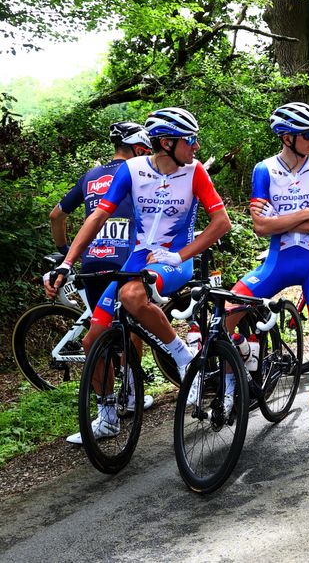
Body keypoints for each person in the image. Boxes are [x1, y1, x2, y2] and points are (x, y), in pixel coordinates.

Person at [45, 107, 232, 443]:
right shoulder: (132, 170)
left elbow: (221, 223)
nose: (197, 147)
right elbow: (98, 217)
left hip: (174, 259)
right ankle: (108, 416)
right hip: (137, 259)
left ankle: (185, 359)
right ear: (166, 143)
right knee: (91, 341)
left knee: (130, 295)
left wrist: (180, 254)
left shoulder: (195, 173)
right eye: (191, 140)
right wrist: (67, 262)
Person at [226, 102, 309, 438]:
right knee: (228, 308)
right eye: (308, 134)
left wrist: (280, 221)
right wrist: (307, 212)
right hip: (277, 262)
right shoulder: (264, 170)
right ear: (287, 138)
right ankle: (243, 357)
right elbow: (260, 227)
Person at [50, 122, 155, 428]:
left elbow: (56, 215)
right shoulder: (141, 173)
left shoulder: (91, 176)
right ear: (139, 150)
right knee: (131, 327)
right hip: (127, 262)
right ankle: (134, 395)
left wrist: (66, 250)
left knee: (99, 337)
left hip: (92, 263)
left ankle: (107, 413)